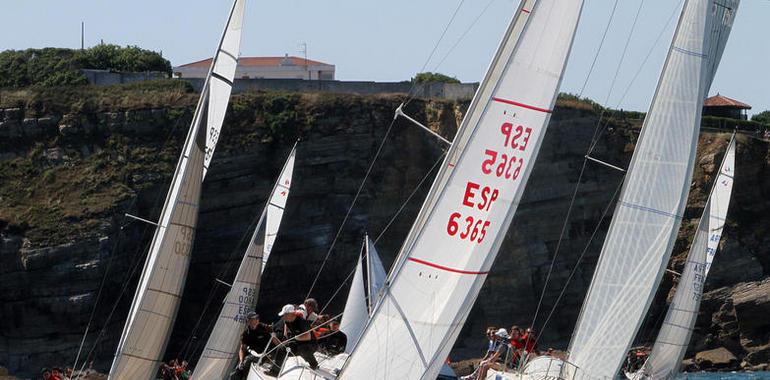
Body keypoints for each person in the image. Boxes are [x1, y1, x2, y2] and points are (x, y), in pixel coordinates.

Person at [229, 312, 273, 380]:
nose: (257, 320)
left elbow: (274, 336)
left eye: (257, 318)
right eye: (254, 319)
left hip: (265, 354)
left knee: (248, 362)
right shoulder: (246, 333)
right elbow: (242, 348)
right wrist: (241, 361)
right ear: (249, 321)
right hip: (252, 354)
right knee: (236, 372)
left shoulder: (264, 327)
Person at [277, 304, 319, 370]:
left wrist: (295, 338)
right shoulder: (287, 320)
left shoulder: (302, 322)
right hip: (298, 342)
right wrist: (285, 337)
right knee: (282, 348)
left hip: (311, 344)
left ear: (292, 314)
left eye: (285, 315)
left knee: (303, 349)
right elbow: (286, 326)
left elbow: (307, 337)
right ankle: (275, 371)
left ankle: (314, 364)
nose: (283, 317)